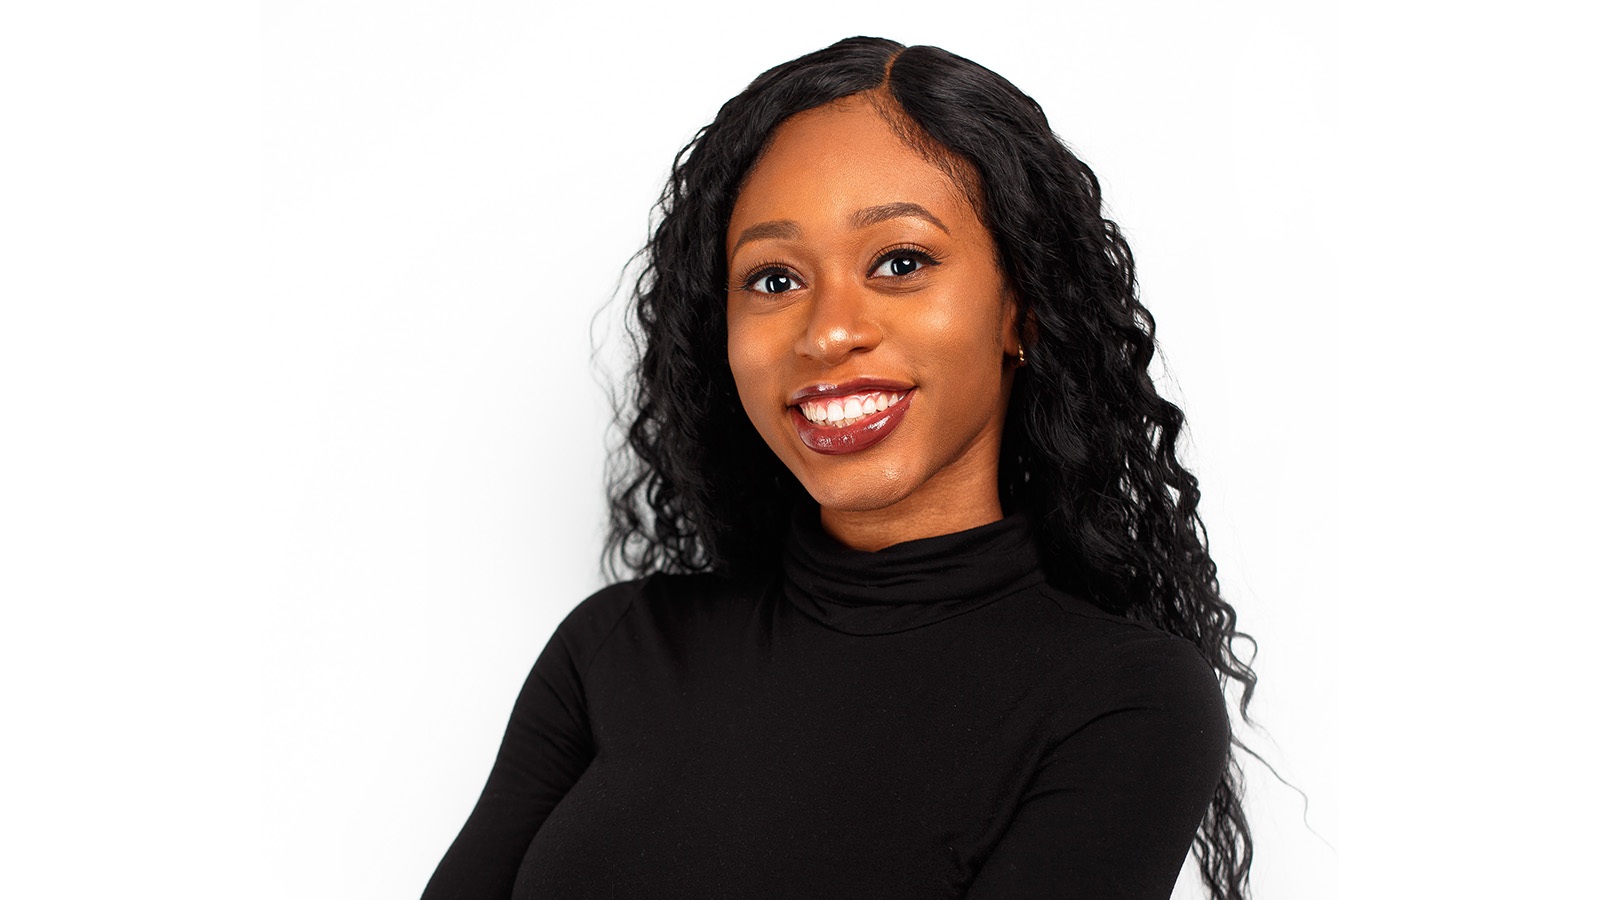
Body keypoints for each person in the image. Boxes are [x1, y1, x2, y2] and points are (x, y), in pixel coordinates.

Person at [422, 36, 1257, 900]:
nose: (827, 332)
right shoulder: (615, 650)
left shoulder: (1122, 701)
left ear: (1024, 310)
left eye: (901, 262)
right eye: (774, 279)